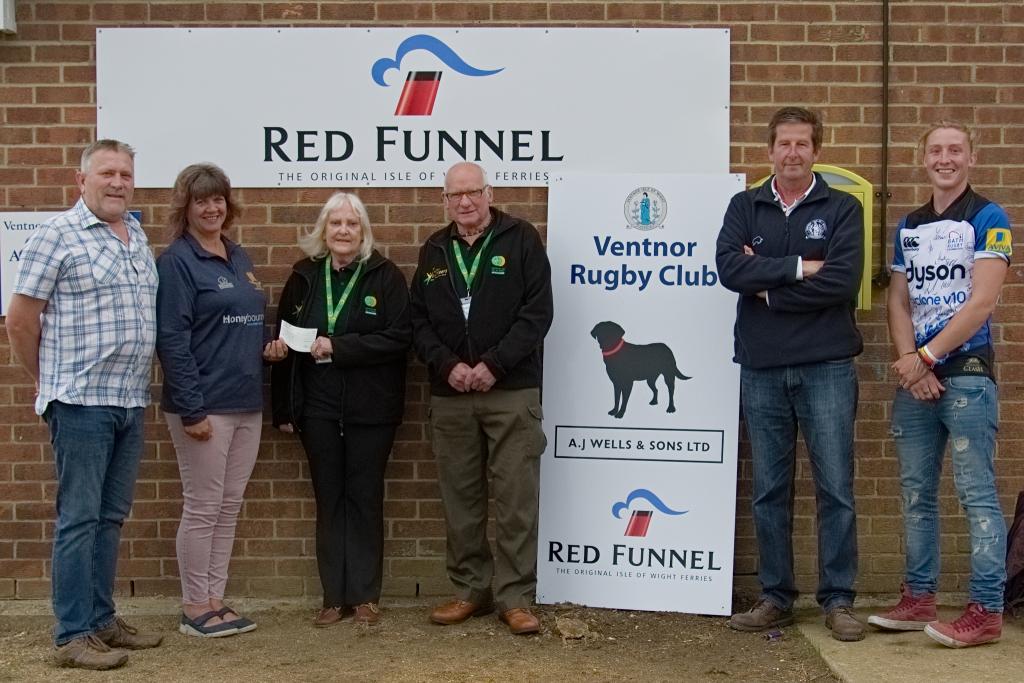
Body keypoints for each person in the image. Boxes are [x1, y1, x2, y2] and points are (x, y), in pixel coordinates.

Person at [5, 139, 163, 669]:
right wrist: (46, 380)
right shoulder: (57, 235)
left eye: (125, 174)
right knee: (78, 518)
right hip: (80, 402)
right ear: (82, 180)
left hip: (128, 400)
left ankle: (100, 620)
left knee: (110, 517)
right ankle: (72, 634)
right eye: (107, 173)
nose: (118, 182)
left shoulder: (135, 234)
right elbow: (22, 319)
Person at [715, 107, 865, 641]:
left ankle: (839, 599)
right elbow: (729, 269)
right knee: (770, 489)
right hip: (762, 367)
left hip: (827, 366)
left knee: (836, 487)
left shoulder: (842, 208)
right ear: (770, 150)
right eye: (784, 144)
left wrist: (768, 286)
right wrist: (802, 266)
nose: (793, 153)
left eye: (803, 144)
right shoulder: (745, 205)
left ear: (816, 151)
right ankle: (776, 596)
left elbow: (843, 282)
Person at [868, 121, 1011, 647]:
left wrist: (926, 356)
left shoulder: (989, 217)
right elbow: (898, 301)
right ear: (922, 159)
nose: (945, 158)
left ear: (971, 157)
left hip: (968, 375)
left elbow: (982, 302)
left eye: (955, 150)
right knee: (915, 494)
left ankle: (986, 610)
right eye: (935, 150)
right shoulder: (908, 224)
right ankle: (918, 597)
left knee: (976, 494)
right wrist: (910, 359)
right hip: (916, 378)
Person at [411, 162, 553, 636]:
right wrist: (447, 364)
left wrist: (494, 364)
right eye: (456, 195)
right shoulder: (434, 249)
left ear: (489, 193)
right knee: (461, 499)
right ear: (445, 201)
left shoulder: (521, 239)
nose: (465, 202)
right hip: (450, 394)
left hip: (510, 391)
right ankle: (471, 589)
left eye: (473, 192)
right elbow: (418, 323)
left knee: (516, 498)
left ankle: (515, 597)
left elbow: (538, 314)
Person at [156, 163, 287, 638]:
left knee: (228, 506)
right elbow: (172, 340)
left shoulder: (239, 256)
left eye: (218, 200)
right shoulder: (177, 262)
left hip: (246, 402)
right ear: (185, 208)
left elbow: (242, 323)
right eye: (201, 201)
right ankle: (195, 606)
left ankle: (216, 599)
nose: (212, 208)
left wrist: (267, 347)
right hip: (204, 406)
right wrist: (192, 409)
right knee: (203, 505)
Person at [270, 192, 411, 627]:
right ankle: (333, 597)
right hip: (319, 409)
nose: (344, 231)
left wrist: (340, 347)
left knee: (365, 498)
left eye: (352, 224)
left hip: (372, 408)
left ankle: (365, 595)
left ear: (364, 232)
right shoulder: (304, 276)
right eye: (336, 224)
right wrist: (284, 405)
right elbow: (286, 340)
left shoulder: (385, 276)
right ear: (323, 231)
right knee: (329, 499)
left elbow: (400, 338)